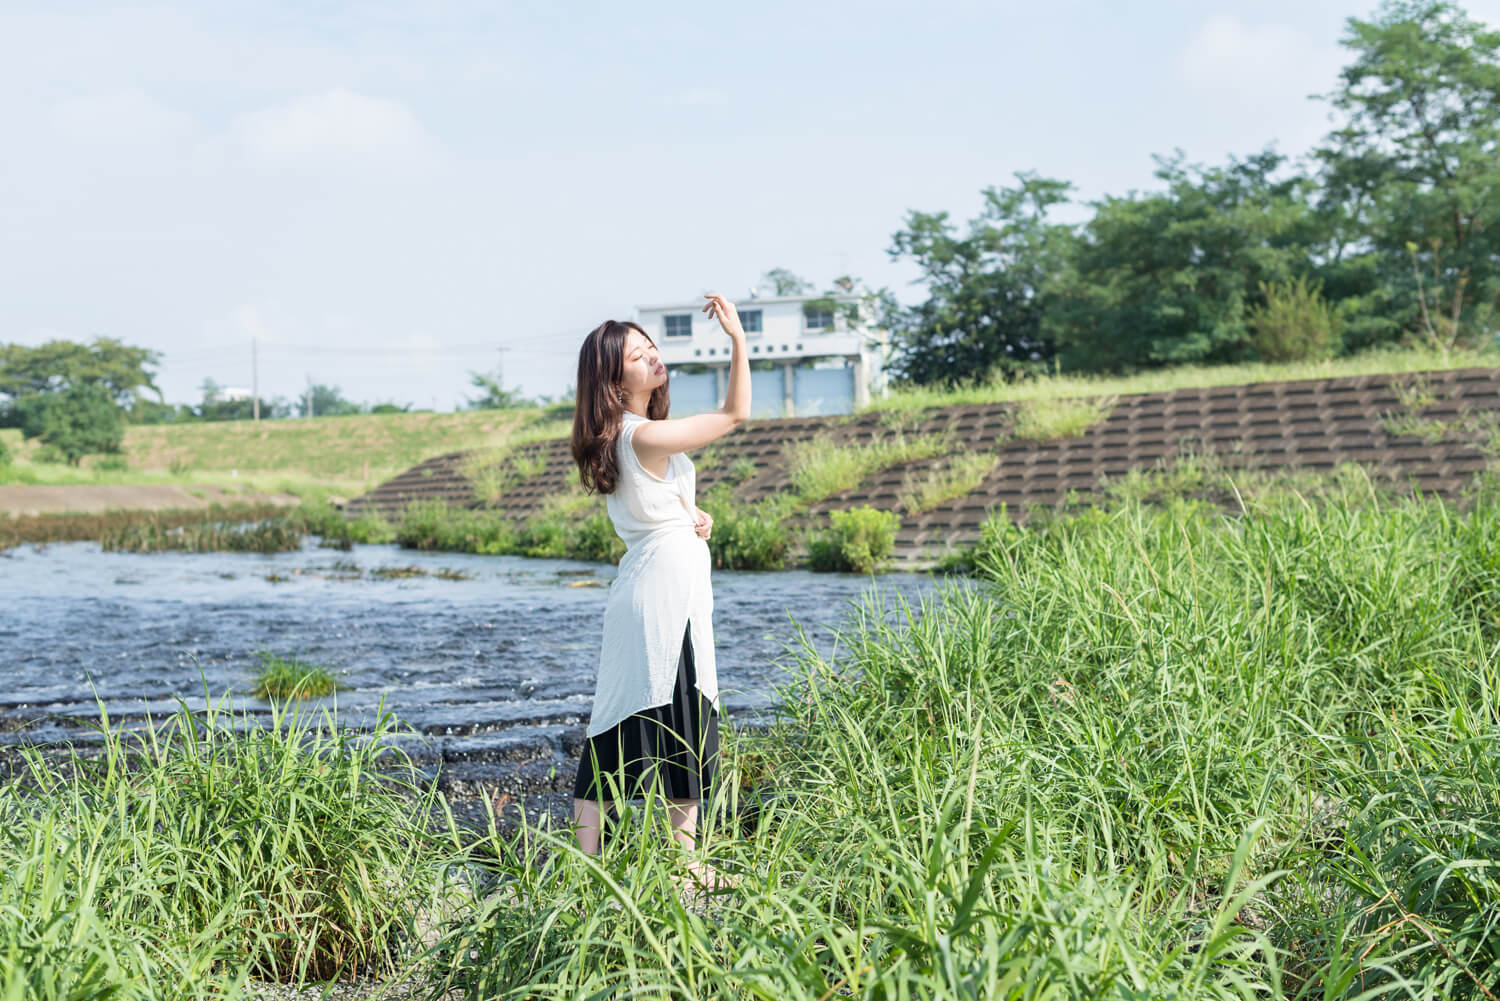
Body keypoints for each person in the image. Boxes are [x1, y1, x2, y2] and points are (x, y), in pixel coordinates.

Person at [567, 292, 749, 891]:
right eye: (638, 357)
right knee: (660, 716)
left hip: (661, 588)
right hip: (659, 598)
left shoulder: (628, 435)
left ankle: (613, 866)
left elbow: (651, 512)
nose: (653, 360)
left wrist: (693, 518)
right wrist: (739, 340)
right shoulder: (641, 435)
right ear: (614, 383)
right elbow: (733, 417)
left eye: (651, 350)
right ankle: (678, 866)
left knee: (649, 718)